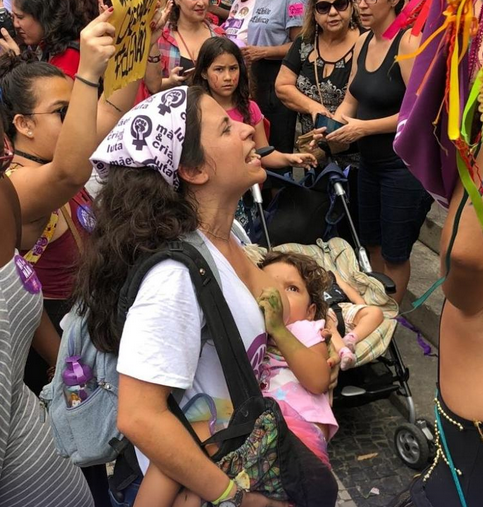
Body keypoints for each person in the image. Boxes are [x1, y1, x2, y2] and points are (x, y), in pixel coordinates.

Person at [76, 85, 338, 506]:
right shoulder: (174, 279)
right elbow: (140, 416)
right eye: (226, 127)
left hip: (236, 456)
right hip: (201, 487)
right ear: (194, 170)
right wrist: (237, 498)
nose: (248, 130)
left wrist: (328, 333)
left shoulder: (228, 236)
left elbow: (267, 314)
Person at [0, 10, 118, 506]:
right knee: (81, 449)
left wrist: (142, 41)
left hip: (68, 344)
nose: (79, 124)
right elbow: (73, 171)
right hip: (42, 366)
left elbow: (110, 111)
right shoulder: (20, 186)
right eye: (62, 114)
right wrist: (88, 71)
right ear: (22, 125)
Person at [316, 0, 433, 304]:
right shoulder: (364, 40)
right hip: (369, 164)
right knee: (371, 246)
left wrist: (365, 128)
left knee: (395, 254)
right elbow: (351, 101)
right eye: (357, 0)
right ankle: (376, 312)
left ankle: (388, 320)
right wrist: (331, 127)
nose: (362, 6)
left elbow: (419, 111)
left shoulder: (407, 41)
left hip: (403, 168)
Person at [191, 37, 317, 231]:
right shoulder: (196, 111)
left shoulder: (250, 109)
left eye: (233, 68)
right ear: (204, 73)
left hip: (247, 196)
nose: (227, 77)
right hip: (210, 196)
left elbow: (264, 152)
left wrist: (289, 159)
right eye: (219, 69)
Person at [275, 0, 361, 169]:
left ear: (352, 6)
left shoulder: (366, 41)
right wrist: (313, 108)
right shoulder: (305, 41)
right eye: (323, 7)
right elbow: (282, 86)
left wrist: (329, 137)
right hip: (315, 154)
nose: (333, 12)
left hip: (357, 153)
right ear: (313, 12)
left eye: (341, 4)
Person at [243, 0, 306, 159]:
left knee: (277, 140)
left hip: (278, 73)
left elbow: (300, 44)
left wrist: (264, 52)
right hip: (257, 74)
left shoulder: (294, 1)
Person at [144, 0, 225, 96]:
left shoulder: (218, 34)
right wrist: (170, 82)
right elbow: (152, 87)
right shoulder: (159, 35)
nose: (201, 3)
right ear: (177, 1)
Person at [0, 0, 86, 79]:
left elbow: (43, 94)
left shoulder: (70, 56)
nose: (15, 24)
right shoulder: (46, 42)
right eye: (12, 16)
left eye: (20, 17)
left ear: (45, 16)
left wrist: (15, 62)